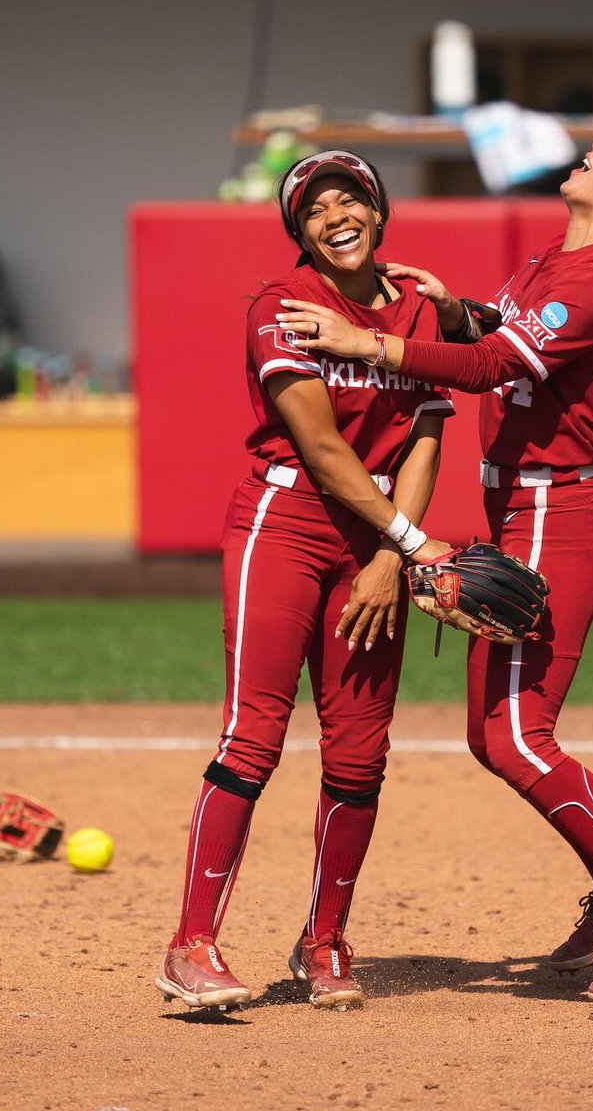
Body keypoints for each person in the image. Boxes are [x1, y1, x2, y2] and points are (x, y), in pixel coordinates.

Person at [276, 97, 593, 1004]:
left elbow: (491, 371)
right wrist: (458, 308)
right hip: (527, 510)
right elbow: (505, 340)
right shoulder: (565, 258)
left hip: (562, 512)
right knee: (492, 734)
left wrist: (371, 342)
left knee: (517, 736)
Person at [154, 150, 454, 1013]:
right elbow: (322, 450)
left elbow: (428, 434)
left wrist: (394, 556)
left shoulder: (419, 308)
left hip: (378, 547)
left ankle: (324, 940)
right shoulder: (280, 308)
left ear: (379, 209)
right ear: (300, 233)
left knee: (360, 753)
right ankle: (191, 945)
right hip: (283, 526)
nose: (335, 215)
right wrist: (410, 539)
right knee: (254, 736)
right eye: (314, 208)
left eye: (349, 197)